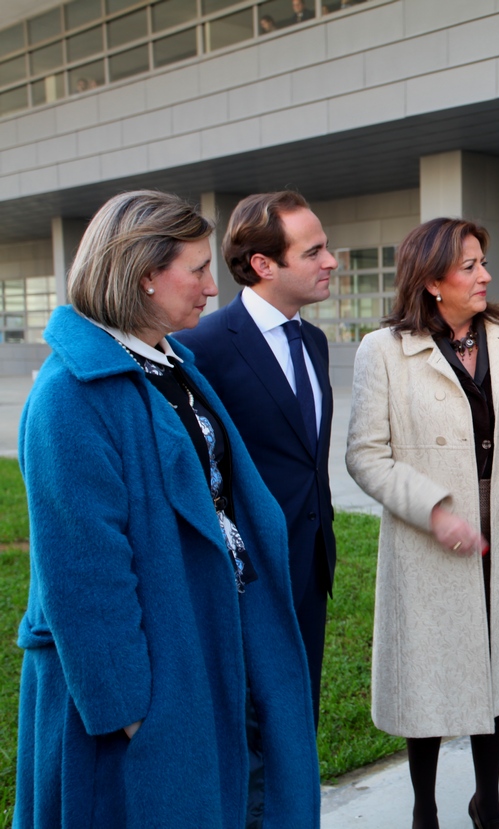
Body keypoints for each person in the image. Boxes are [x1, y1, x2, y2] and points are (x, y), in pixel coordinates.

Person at [14, 190, 320, 827]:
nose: (214, 287)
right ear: (145, 276)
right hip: (139, 684)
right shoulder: (69, 395)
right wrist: (134, 716)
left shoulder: (167, 361)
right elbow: (85, 576)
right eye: (198, 269)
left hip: (199, 636)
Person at [346, 217, 499, 829]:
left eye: (482, 263)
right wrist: (433, 509)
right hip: (430, 541)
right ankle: (424, 809)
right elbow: (365, 453)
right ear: (431, 279)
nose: (484, 276)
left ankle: (487, 800)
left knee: (491, 670)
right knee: (431, 678)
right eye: (469, 266)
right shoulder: (382, 350)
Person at [177, 190, 338, 726]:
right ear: (263, 264)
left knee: (299, 723)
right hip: (244, 577)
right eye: (313, 252)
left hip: (310, 566)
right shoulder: (202, 346)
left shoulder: (313, 340)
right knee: (251, 739)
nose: (330, 261)